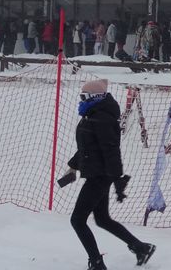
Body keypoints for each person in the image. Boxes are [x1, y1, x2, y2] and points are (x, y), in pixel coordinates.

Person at [64, 79, 156, 270]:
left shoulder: (102, 118)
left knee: (77, 220)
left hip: (100, 176)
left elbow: (111, 151)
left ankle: (97, 263)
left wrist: (117, 180)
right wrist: (73, 166)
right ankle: (141, 248)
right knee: (102, 219)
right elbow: (88, 146)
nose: (80, 100)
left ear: (94, 97)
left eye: (84, 96)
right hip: (96, 174)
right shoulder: (92, 114)